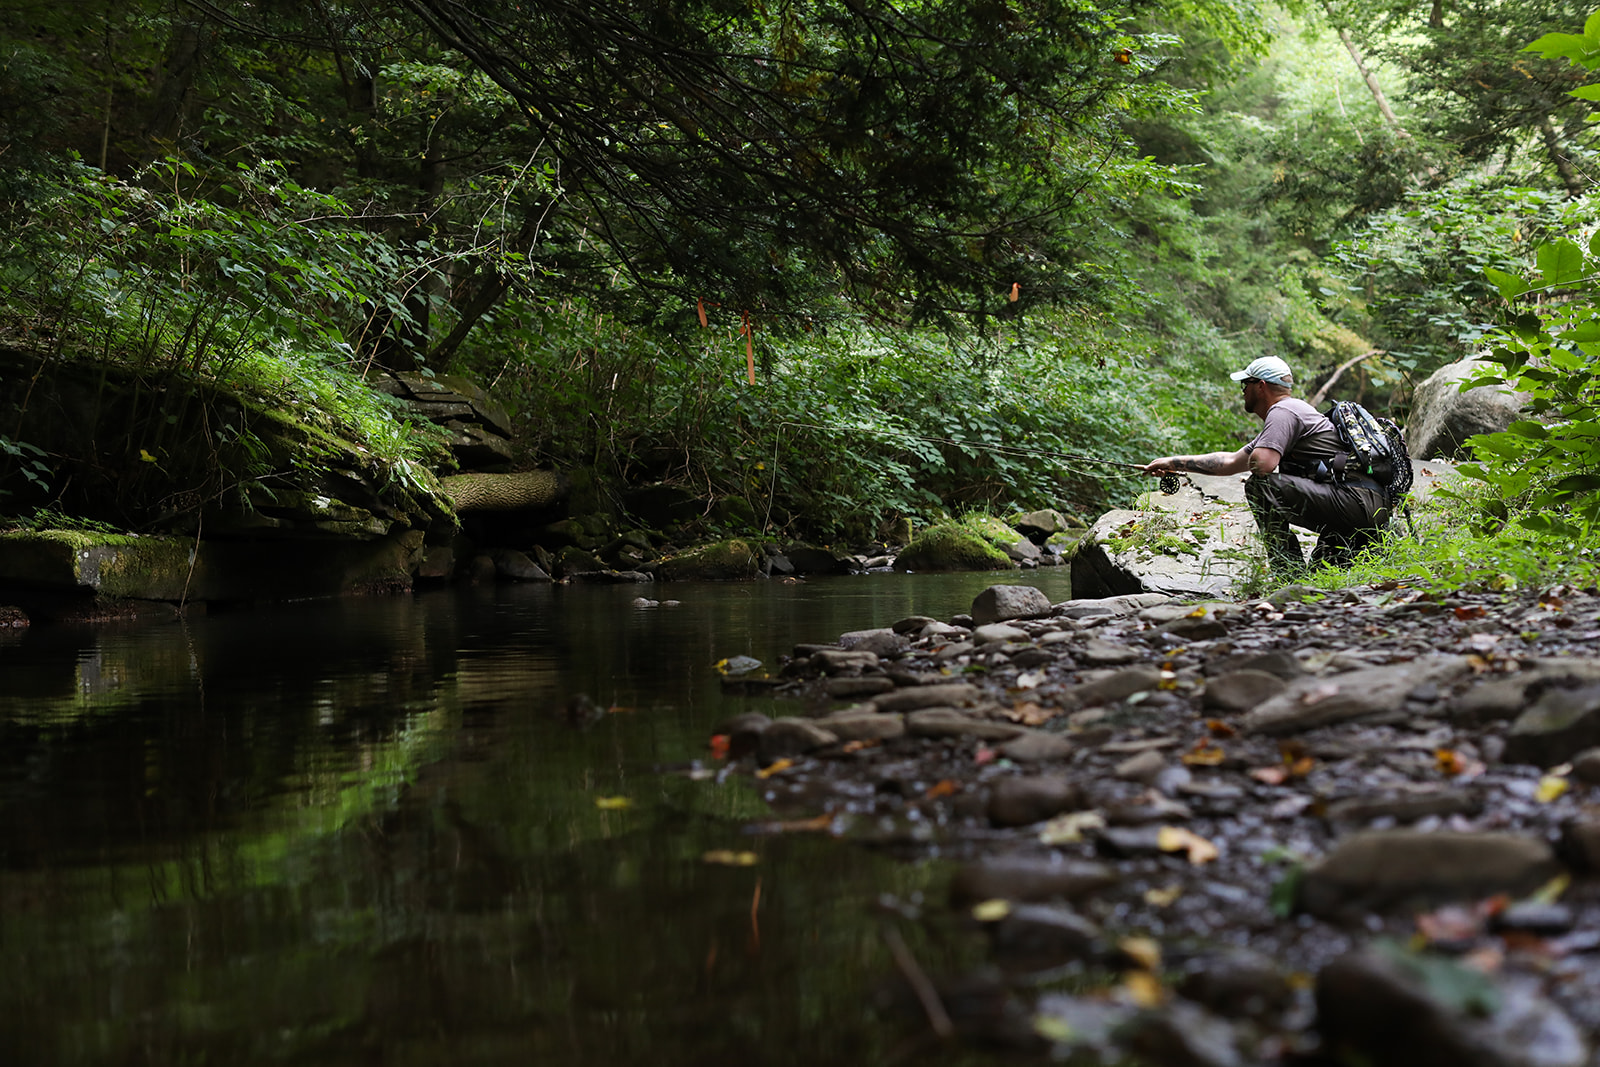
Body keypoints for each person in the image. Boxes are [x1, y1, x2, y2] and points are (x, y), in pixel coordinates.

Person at [1142, 355, 1389, 573]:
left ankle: (1288, 574)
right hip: (1365, 506)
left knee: (1260, 487)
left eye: (1245, 384)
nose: (1242, 391)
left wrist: (1262, 455)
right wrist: (1173, 463)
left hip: (1356, 502)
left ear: (1260, 387)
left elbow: (1262, 465)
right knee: (1321, 576)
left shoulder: (1283, 412)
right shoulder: (1291, 413)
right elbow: (1230, 462)